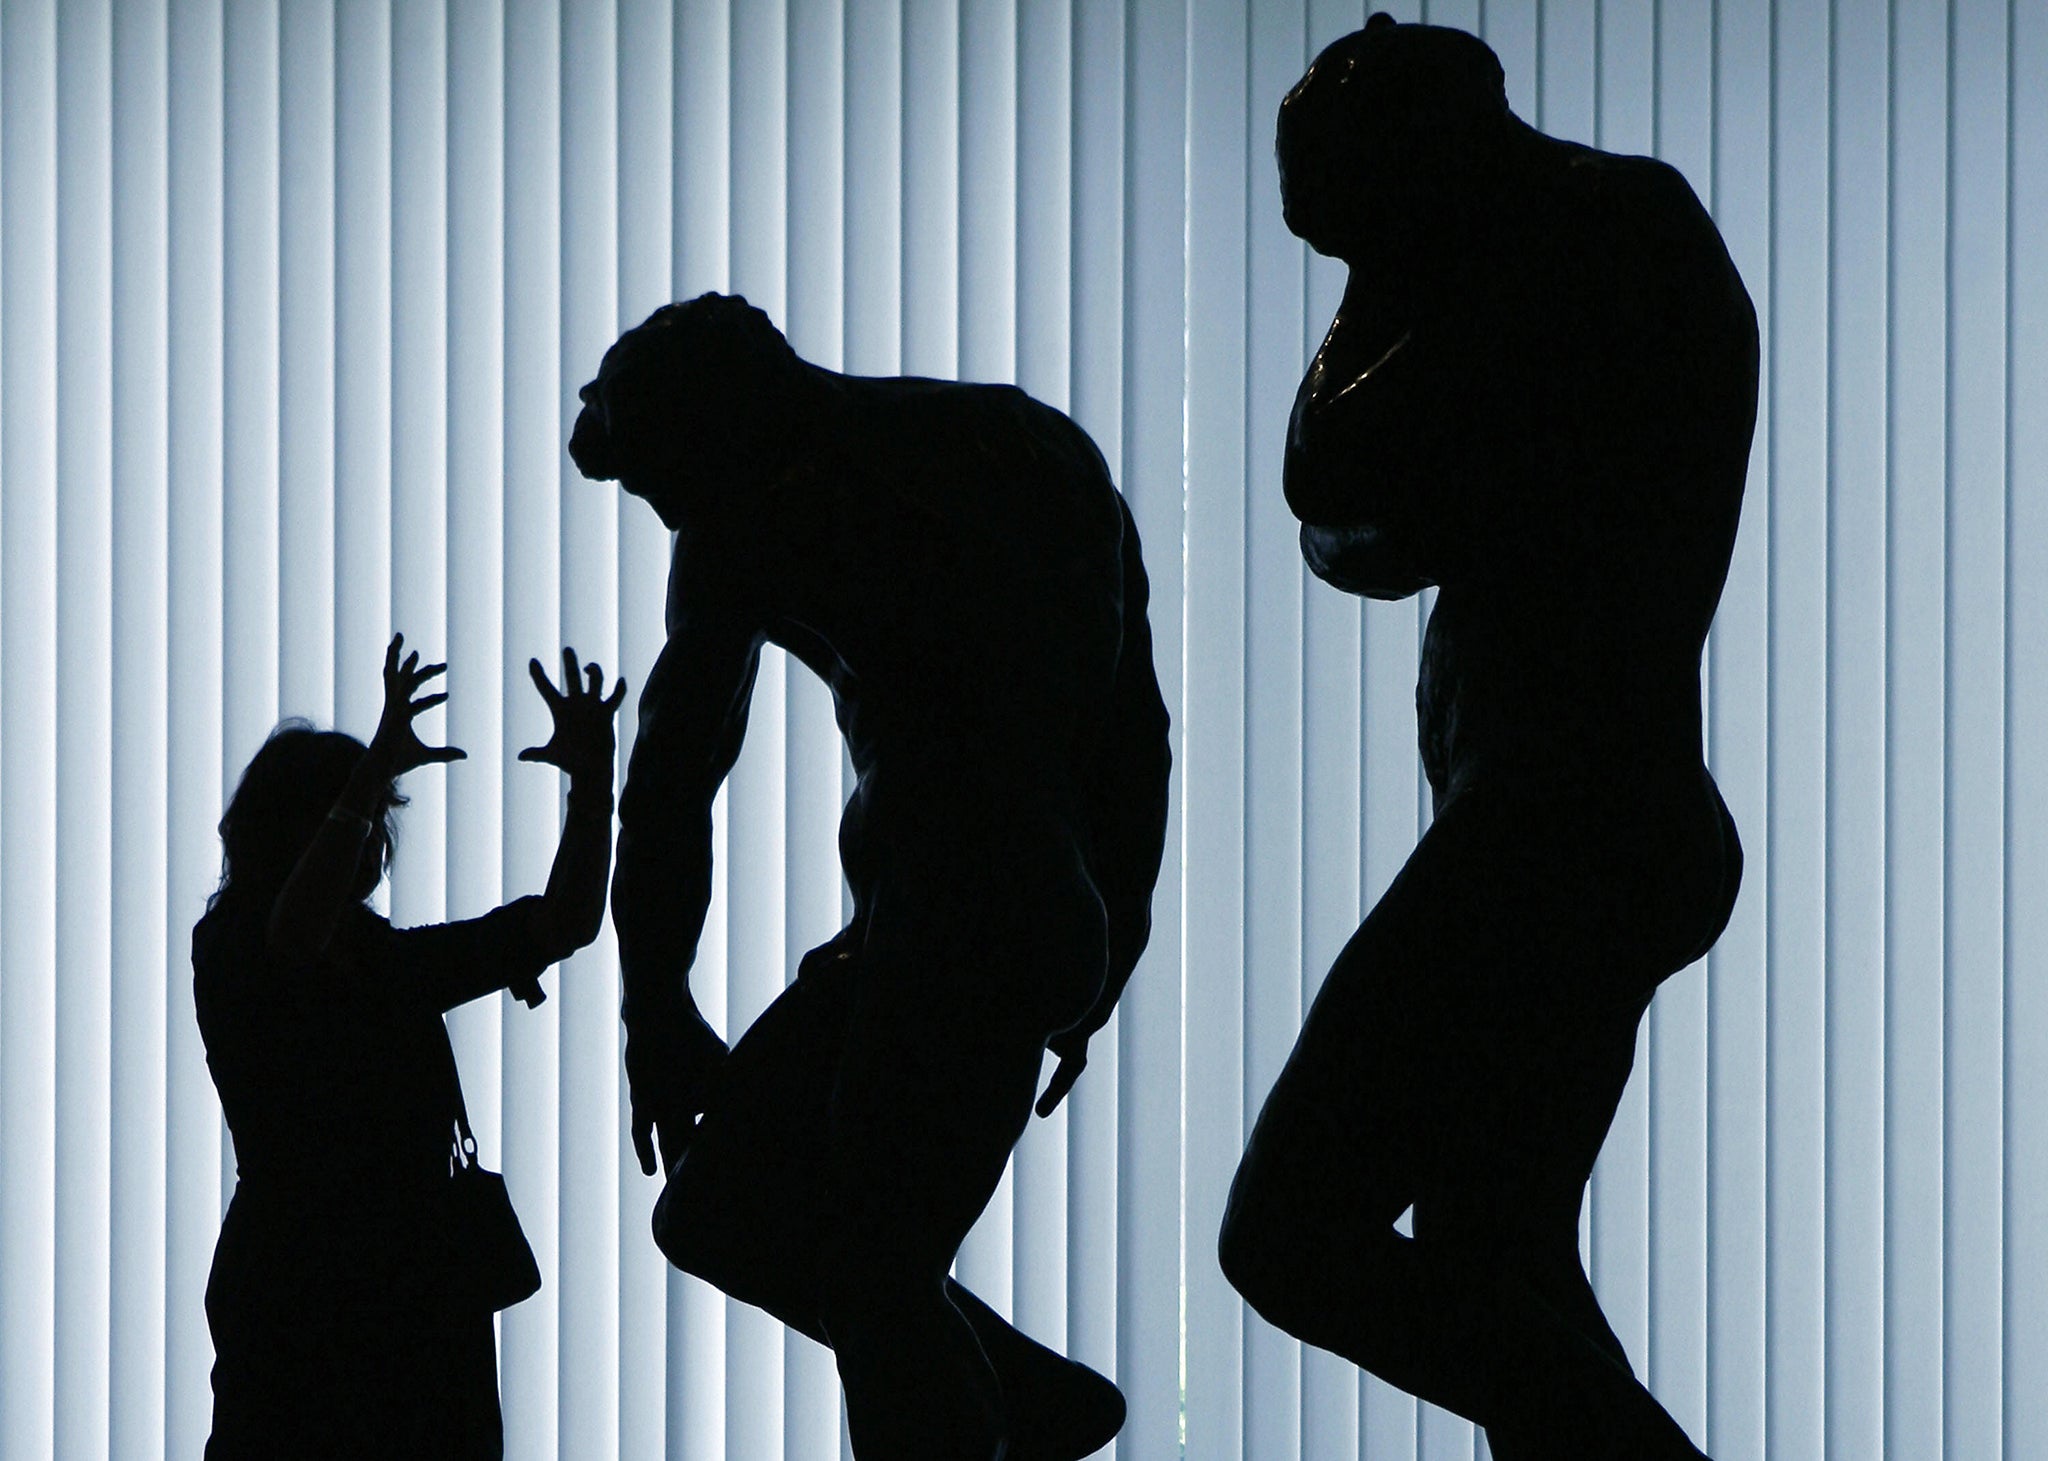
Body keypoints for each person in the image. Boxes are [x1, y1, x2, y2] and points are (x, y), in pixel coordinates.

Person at [1216, 15, 1755, 1461]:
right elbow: (1357, 522)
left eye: (1357, 228)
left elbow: (1328, 479)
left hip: (1558, 820)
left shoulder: (1586, 232)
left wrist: (1382, 271)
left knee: (1286, 1231)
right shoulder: (1581, 245)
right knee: (1498, 1267)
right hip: (1581, 820)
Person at [569, 294, 1171, 1460]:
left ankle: (1000, 1409)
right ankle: (1033, 1402)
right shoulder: (756, 513)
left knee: (872, 1273)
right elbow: (671, 777)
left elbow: (1121, 724)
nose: (673, 524)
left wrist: (1105, 939)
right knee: (716, 1209)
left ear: (728, 423)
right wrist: (653, 1005)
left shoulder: (998, 458)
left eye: (669, 489)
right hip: (921, 921)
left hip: (994, 912)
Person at [193, 635, 624, 1458]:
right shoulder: (237, 947)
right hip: (317, 1302)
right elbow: (293, 939)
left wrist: (593, 785)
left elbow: (564, 921)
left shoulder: (383, 961)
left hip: (402, 1297)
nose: (371, 841)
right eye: (353, 815)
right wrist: (367, 779)